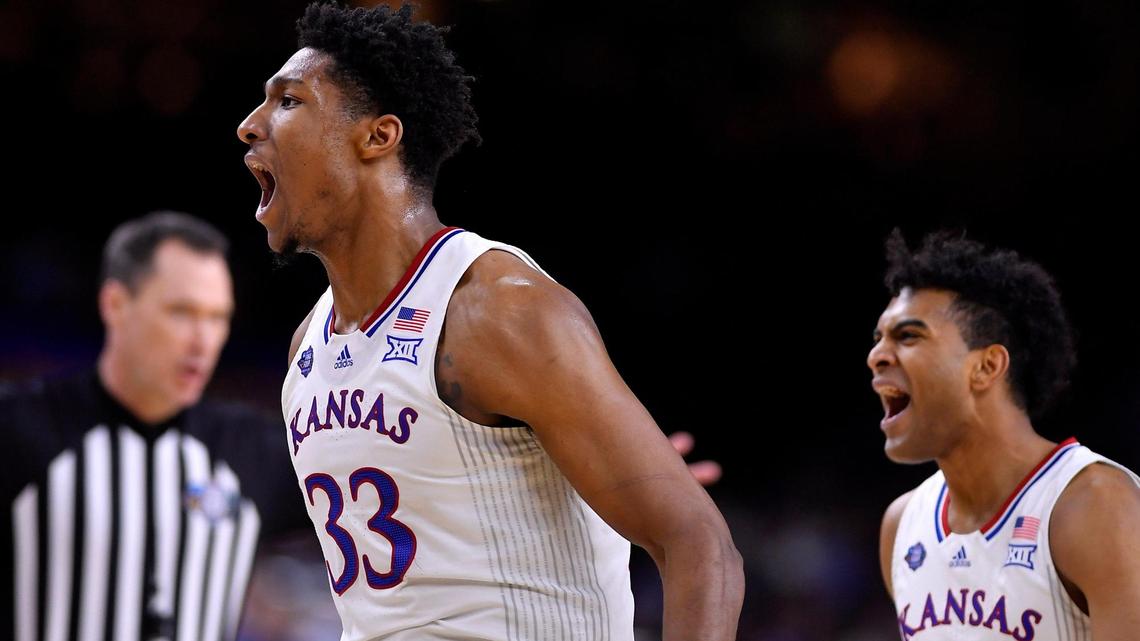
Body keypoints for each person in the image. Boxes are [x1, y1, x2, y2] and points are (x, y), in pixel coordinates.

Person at [235, 3, 743, 640]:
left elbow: (699, 542)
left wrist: (626, 478)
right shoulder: (306, 348)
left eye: (288, 102)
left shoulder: (494, 309)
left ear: (377, 136)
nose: (250, 126)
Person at [0, 211, 303, 641]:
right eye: (182, 312)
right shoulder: (19, 427)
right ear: (116, 305)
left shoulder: (255, 449)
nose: (203, 341)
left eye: (218, 318)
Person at [868, 230, 1140, 640]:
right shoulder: (902, 524)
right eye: (878, 340)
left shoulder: (1094, 505)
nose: (876, 356)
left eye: (908, 336)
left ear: (987, 367)